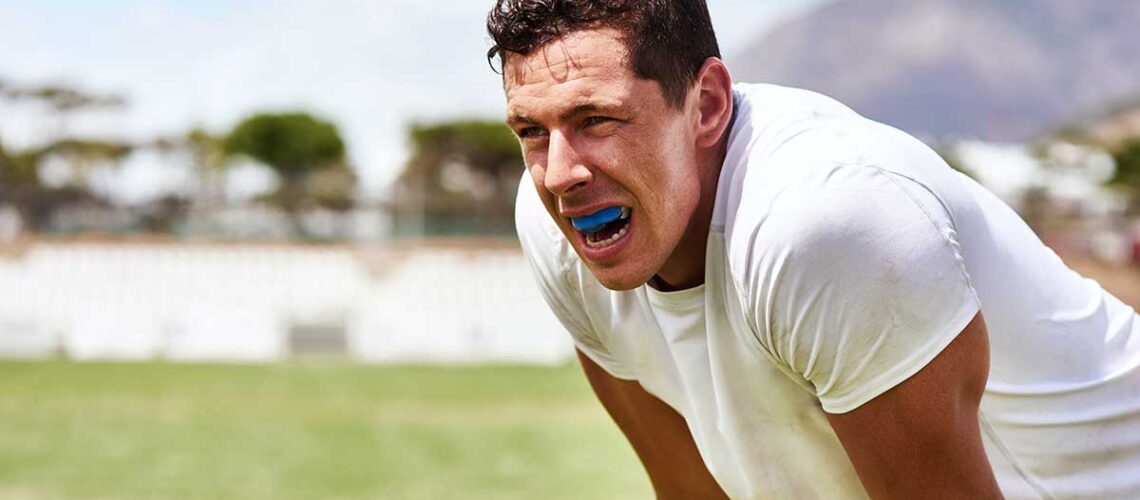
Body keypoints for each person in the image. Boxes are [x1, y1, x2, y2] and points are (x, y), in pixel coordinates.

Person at [486, 1, 1140, 498]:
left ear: (707, 104)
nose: (560, 172)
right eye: (531, 130)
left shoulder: (822, 222)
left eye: (596, 119)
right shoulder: (558, 230)